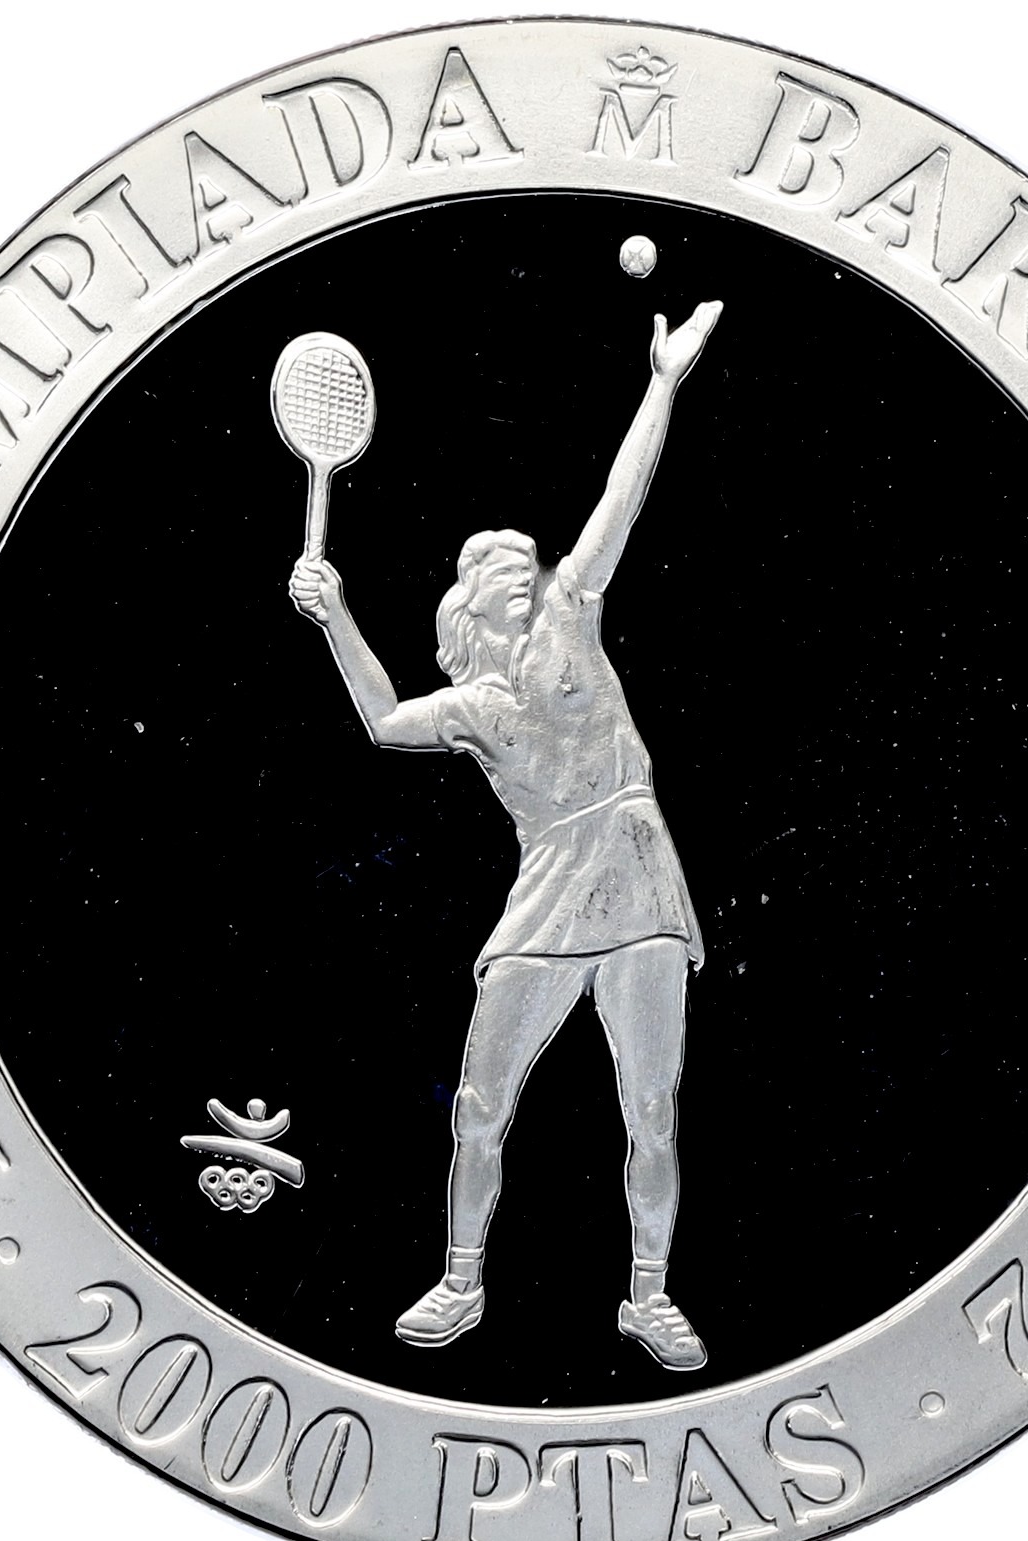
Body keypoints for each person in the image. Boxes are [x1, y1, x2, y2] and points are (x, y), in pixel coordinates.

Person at [290, 301, 722, 1369]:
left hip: (637, 875)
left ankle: (649, 1296)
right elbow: (383, 721)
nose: (526, 571)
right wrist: (334, 615)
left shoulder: (573, 612)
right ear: (469, 603)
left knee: (650, 1108)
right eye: (503, 569)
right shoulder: (472, 707)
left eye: (528, 563)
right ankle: (459, 1280)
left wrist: (660, 385)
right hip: (546, 892)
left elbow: (620, 501)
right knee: (478, 1103)